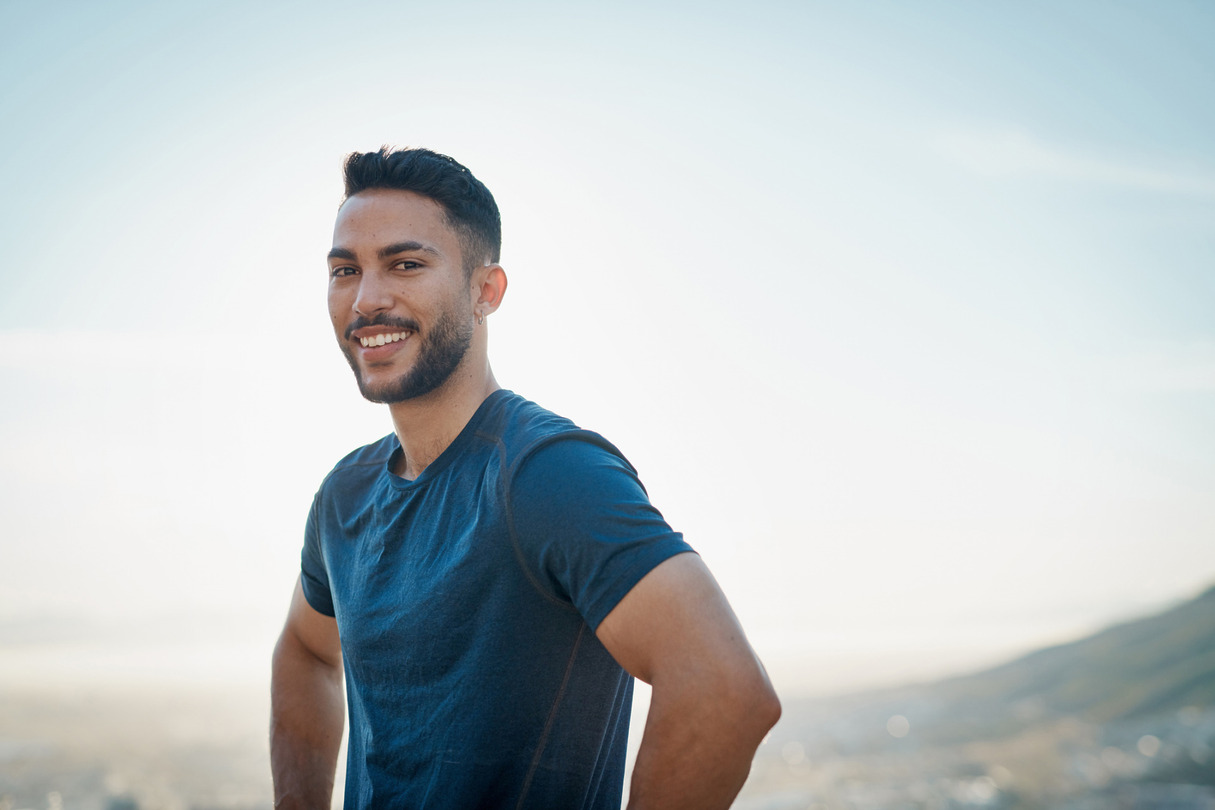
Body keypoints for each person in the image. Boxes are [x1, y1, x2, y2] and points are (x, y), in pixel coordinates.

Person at [270, 147, 780, 810]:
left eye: (406, 264)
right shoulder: (346, 496)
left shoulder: (547, 472)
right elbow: (306, 653)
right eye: (345, 270)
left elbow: (724, 690)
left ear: (485, 291)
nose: (367, 298)